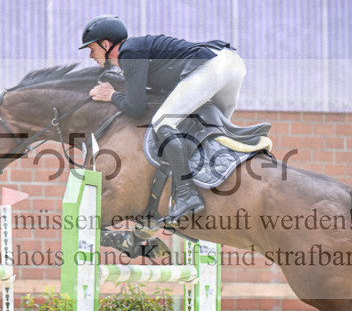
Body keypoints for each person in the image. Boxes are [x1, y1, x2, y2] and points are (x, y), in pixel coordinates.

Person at [80, 14, 247, 223]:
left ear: (105, 44)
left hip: (212, 65)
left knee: (163, 123)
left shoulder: (129, 53)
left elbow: (135, 107)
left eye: (92, 48)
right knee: (214, 133)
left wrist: (111, 95)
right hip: (231, 64)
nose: (91, 55)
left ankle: (186, 193)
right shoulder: (137, 54)